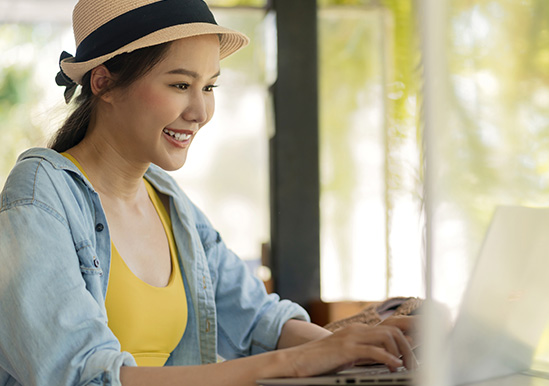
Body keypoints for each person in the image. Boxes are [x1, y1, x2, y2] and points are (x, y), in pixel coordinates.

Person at [0, 0, 416, 385]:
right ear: (104, 82)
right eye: (180, 85)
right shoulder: (39, 197)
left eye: (210, 87)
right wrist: (297, 361)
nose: (200, 112)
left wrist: (368, 349)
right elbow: (83, 376)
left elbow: (258, 321)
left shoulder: (168, 201)